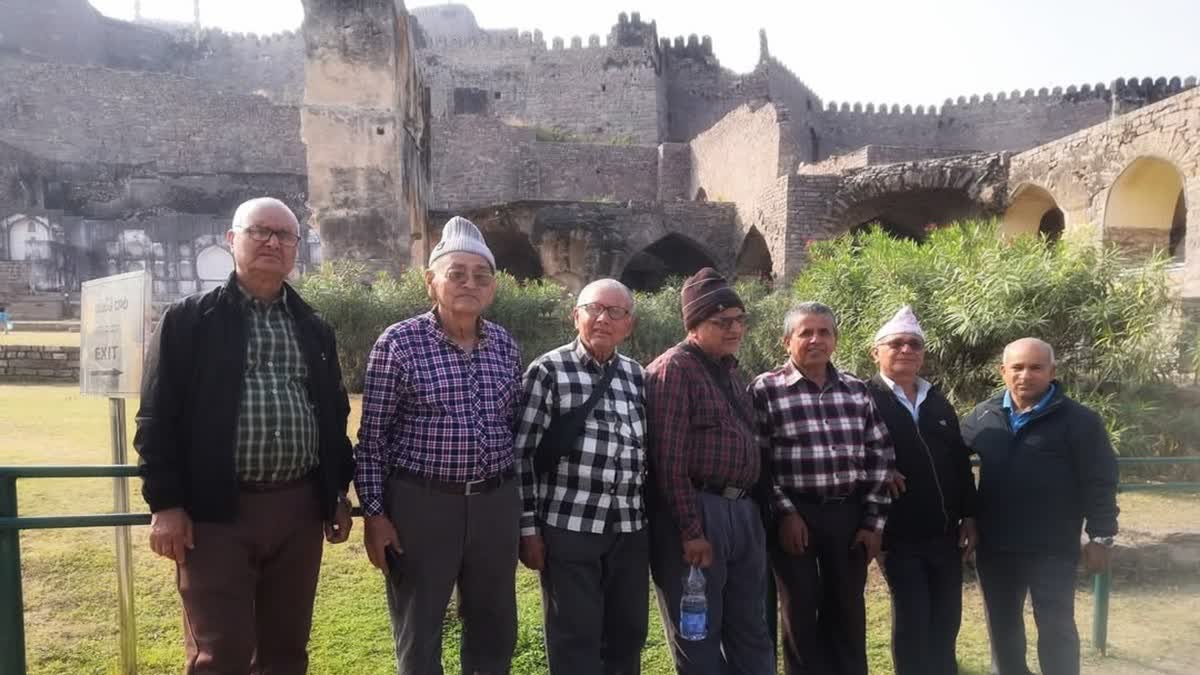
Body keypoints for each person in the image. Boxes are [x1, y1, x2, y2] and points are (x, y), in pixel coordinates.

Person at [133, 197, 355, 674]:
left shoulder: (313, 327)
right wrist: (165, 504)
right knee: (222, 653)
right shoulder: (190, 321)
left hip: (297, 509)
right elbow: (157, 414)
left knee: (286, 650)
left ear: (297, 249)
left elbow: (334, 413)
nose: (273, 242)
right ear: (232, 240)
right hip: (216, 511)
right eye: (260, 232)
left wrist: (336, 491)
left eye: (285, 235)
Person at [356, 216, 522, 675]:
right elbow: (372, 441)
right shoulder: (399, 343)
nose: (470, 283)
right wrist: (375, 515)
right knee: (420, 627)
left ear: (492, 287)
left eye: (481, 276)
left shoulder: (504, 346)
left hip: (494, 503)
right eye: (457, 274)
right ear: (432, 282)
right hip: (422, 506)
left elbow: (510, 425)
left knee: (495, 626)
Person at [750, 301, 894, 675]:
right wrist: (785, 513)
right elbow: (759, 461)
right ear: (787, 342)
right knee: (799, 609)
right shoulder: (766, 390)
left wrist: (873, 522)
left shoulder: (856, 390)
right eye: (805, 332)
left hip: (848, 512)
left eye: (824, 332)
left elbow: (879, 453)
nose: (816, 340)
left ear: (835, 339)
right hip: (795, 512)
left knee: (847, 607)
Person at [644, 267, 775, 675]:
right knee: (697, 633)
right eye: (722, 322)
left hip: (741, 511)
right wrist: (690, 529)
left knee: (751, 627)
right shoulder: (674, 369)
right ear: (695, 325)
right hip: (700, 512)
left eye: (739, 320)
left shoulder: (732, 372)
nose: (734, 329)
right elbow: (668, 458)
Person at [515, 278, 648, 675]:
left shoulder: (637, 377)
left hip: (628, 526)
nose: (603, 319)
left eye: (616, 312)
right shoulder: (548, 371)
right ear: (576, 316)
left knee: (628, 632)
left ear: (629, 324)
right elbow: (522, 456)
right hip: (569, 525)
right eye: (594, 309)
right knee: (575, 636)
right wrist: (528, 530)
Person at [962, 337, 1119, 675]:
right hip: (996, 545)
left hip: (1052, 547)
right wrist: (968, 514)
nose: (1025, 375)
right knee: (1003, 629)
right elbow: (951, 463)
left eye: (1036, 367)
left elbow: (1101, 480)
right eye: (1017, 367)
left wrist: (1102, 537)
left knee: (1056, 629)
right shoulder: (983, 416)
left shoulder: (1080, 421)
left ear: (1052, 371)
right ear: (1003, 371)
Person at [865, 306, 978, 675]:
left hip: (945, 534)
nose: (906, 350)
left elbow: (959, 463)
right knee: (912, 622)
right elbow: (847, 452)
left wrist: (970, 515)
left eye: (914, 344)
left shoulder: (937, 402)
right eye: (895, 344)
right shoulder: (864, 400)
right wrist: (878, 468)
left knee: (946, 624)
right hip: (898, 535)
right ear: (875, 352)